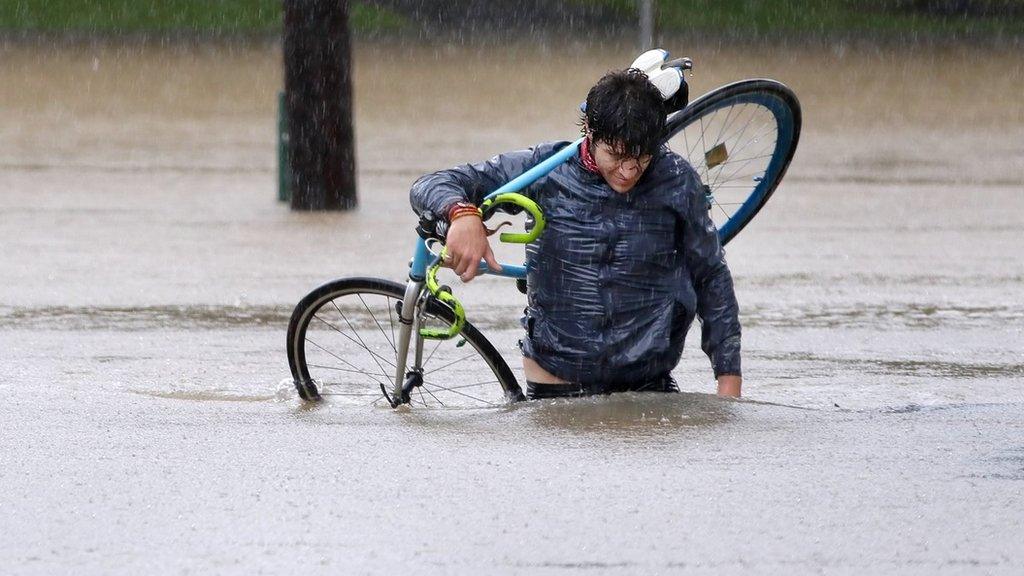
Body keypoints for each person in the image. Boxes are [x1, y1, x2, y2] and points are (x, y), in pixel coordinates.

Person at [409, 68, 742, 399]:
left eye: (641, 158)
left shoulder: (677, 180)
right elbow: (431, 184)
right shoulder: (545, 168)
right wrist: (462, 214)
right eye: (615, 155)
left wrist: (729, 381)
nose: (628, 172)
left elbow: (711, 276)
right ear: (589, 131)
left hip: (648, 384)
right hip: (556, 383)